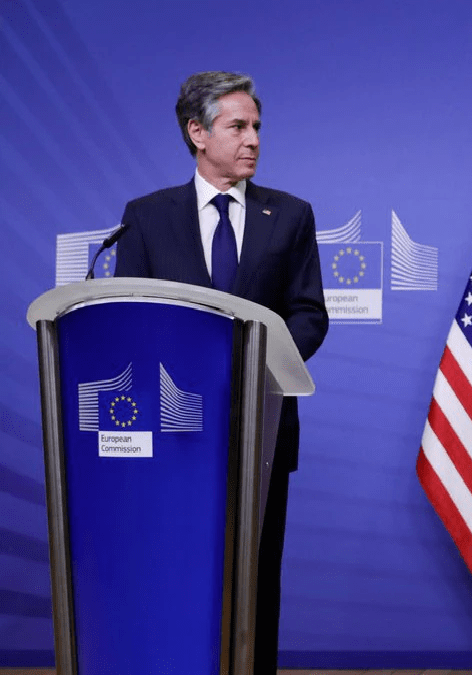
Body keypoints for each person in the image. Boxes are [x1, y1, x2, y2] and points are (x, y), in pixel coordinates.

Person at [115, 70, 328, 674]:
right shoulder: (146, 217)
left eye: (257, 126)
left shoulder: (288, 215)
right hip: (173, 431)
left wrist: (253, 369)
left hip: (261, 429)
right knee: (175, 569)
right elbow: (133, 319)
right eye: (238, 126)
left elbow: (309, 314)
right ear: (197, 133)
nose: (253, 138)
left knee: (256, 577)